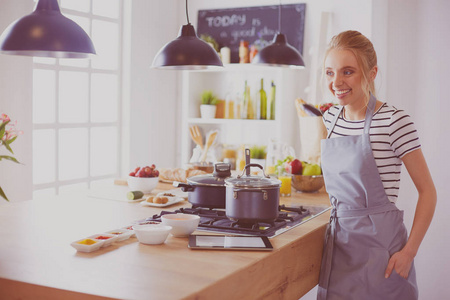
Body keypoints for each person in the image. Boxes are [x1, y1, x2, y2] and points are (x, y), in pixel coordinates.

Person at [317, 30, 437, 300]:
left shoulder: (395, 121)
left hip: (382, 254)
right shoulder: (330, 118)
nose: (336, 82)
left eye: (348, 71)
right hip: (339, 249)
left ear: (372, 73)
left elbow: (428, 191)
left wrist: (409, 253)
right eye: (329, 72)